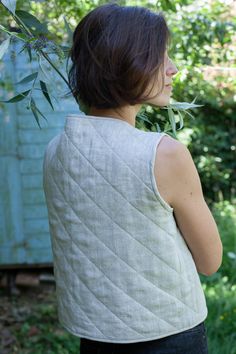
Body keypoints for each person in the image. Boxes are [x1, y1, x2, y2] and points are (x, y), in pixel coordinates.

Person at [43, 3, 223, 354]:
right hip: (170, 334)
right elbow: (210, 261)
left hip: (95, 336)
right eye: (161, 57)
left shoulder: (55, 150)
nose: (173, 69)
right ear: (126, 62)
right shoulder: (163, 154)